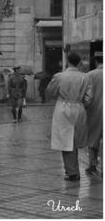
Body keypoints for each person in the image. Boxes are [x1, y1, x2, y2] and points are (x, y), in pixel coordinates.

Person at [45, 52, 92, 181]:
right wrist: (82, 105)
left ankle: (71, 172)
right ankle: (73, 170)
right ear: (78, 63)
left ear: (68, 61)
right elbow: (89, 98)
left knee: (65, 141)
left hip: (63, 108)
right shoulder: (85, 77)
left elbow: (50, 93)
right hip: (79, 108)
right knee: (75, 141)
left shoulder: (59, 76)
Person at [85, 52, 103, 175]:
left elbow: (87, 96)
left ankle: (92, 164)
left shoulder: (90, 75)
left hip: (94, 110)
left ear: (96, 62)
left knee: (93, 138)